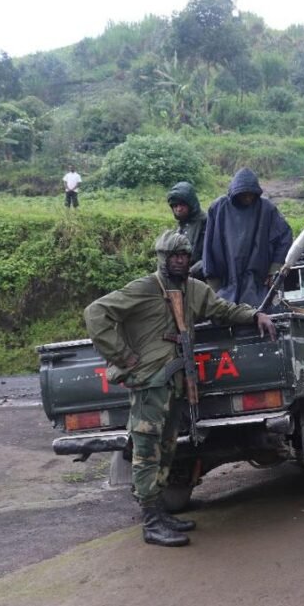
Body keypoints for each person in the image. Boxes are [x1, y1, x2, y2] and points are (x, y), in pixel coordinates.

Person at [84, 231, 277, 546]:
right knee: (146, 451)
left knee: (168, 448)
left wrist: (255, 314)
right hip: (149, 383)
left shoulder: (194, 290)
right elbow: (96, 313)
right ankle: (150, 522)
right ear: (162, 257)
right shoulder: (145, 288)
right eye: (173, 255)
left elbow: (222, 309)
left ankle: (160, 514)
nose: (179, 260)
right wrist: (122, 355)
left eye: (184, 255)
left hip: (176, 382)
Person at [203, 168, 293, 307]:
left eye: (251, 194)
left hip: (258, 285)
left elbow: (285, 236)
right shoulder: (219, 208)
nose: (248, 198)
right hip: (226, 285)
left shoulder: (266, 209)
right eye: (244, 194)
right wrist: (214, 284)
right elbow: (209, 247)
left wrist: (274, 269)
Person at [167, 181, 207, 280]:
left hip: (201, 278)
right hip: (182, 277)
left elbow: (211, 255)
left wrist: (191, 272)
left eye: (182, 205)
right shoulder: (181, 225)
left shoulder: (206, 222)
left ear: (191, 204)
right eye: (175, 206)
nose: (178, 209)